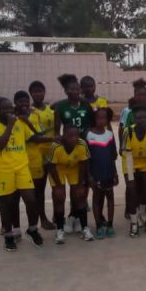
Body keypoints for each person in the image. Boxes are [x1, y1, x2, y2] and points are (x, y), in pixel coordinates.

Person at [0, 97, 44, 251]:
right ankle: (9, 235)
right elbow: (0, 144)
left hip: (22, 167)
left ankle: (32, 229)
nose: (8, 112)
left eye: (10, 109)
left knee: (31, 200)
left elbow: (34, 137)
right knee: (7, 204)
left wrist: (55, 139)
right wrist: (10, 125)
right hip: (4, 169)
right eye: (4, 109)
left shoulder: (20, 123)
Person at [54, 74, 93, 233]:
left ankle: (76, 216)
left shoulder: (86, 105)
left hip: (84, 148)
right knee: (70, 186)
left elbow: (91, 124)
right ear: (66, 91)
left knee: (82, 185)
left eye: (77, 89)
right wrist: (59, 140)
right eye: (71, 89)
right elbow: (57, 130)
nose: (75, 91)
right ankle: (71, 216)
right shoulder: (61, 106)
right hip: (69, 148)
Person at [47, 125, 93, 243]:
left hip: (74, 168)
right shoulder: (55, 146)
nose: (74, 138)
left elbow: (84, 164)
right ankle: (60, 230)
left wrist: (81, 182)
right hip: (58, 169)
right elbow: (51, 167)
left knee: (80, 195)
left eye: (76, 135)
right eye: (70, 136)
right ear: (64, 136)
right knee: (59, 196)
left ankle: (85, 228)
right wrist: (58, 185)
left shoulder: (82, 144)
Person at [122, 107, 146, 237]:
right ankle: (133, 222)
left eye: (144, 118)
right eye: (139, 118)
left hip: (145, 162)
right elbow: (127, 155)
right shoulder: (128, 131)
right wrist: (130, 177)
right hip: (130, 163)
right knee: (131, 189)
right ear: (134, 119)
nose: (142, 120)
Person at [86, 107, 119, 239]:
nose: (101, 120)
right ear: (94, 119)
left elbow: (113, 155)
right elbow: (87, 158)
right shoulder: (89, 135)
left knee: (110, 198)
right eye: (99, 118)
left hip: (109, 172)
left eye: (104, 118)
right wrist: (89, 175)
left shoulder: (109, 135)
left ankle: (110, 224)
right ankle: (99, 225)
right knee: (97, 199)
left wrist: (115, 173)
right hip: (96, 174)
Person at [28, 81, 56, 229]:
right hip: (37, 153)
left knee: (56, 185)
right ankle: (43, 218)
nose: (38, 94)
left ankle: (56, 215)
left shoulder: (51, 110)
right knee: (39, 187)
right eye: (34, 92)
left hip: (52, 151)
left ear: (44, 92)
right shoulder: (29, 112)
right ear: (31, 94)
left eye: (40, 91)